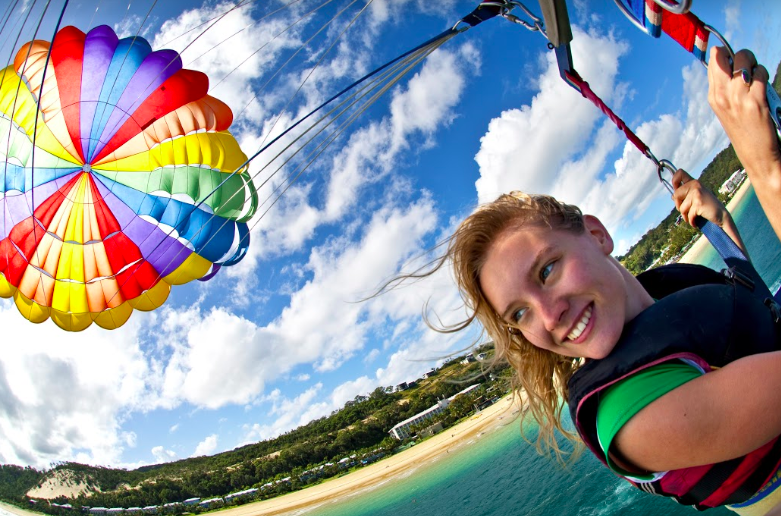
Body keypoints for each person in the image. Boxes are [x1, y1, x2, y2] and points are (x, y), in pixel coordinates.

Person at [415, 48, 781, 515]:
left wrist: (718, 219)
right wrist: (764, 169)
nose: (549, 316)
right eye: (520, 313)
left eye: (547, 271)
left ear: (597, 235)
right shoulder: (633, 419)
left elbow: (747, 313)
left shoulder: (662, 306)